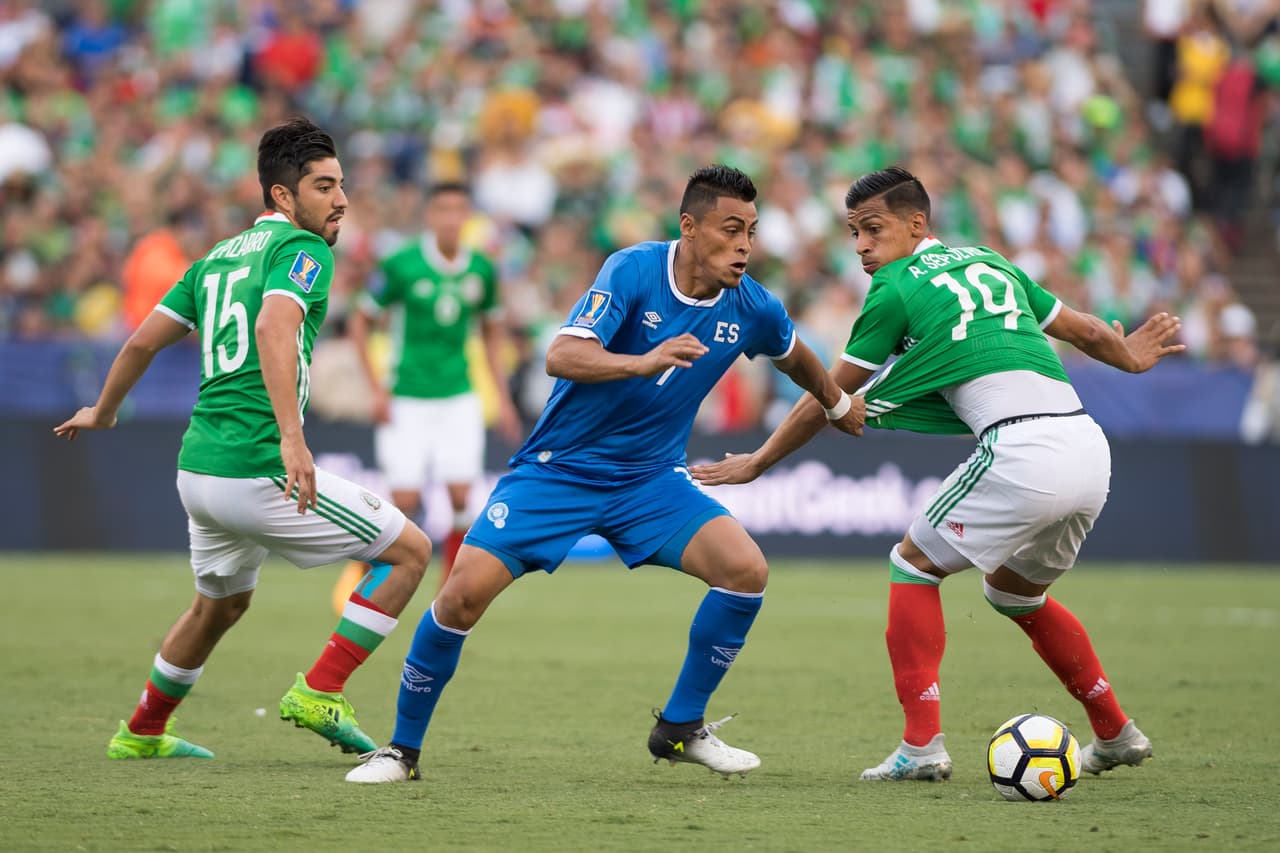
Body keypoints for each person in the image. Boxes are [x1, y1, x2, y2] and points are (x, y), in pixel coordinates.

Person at [342, 164, 865, 783]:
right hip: (559, 471)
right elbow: (562, 354)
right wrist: (642, 362)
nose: (745, 245)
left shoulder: (753, 304)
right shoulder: (633, 270)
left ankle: (680, 727)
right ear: (689, 227)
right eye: (731, 229)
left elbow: (795, 354)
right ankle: (401, 751)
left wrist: (836, 401)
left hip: (651, 479)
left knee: (746, 571)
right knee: (458, 598)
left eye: (751, 231)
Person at [692, 166, 1184, 782]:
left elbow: (827, 392)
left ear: (916, 223)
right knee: (1014, 592)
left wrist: (759, 461)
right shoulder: (990, 261)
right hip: (1088, 446)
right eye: (854, 233)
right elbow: (1084, 329)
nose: (862, 246)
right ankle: (1115, 732)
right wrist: (1130, 359)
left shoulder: (895, 287)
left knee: (912, 564)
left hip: (1022, 448)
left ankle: (921, 746)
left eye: (873, 229)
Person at [54, 117, 432, 760]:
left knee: (219, 607)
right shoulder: (303, 250)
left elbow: (141, 341)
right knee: (410, 553)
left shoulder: (215, 259)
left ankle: (142, 731)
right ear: (283, 196)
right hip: (257, 467)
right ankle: (321, 690)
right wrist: (293, 439)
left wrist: (104, 411)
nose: (341, 200)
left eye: (341, 184)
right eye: (323, 186)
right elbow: (272, 328)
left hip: (199, 471)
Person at [335, 181, 521, 605]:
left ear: (468, 217)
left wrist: (503, 398)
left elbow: (492, 333)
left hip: (458, 396)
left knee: (461, 497)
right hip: (406, 396)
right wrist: (375, 388)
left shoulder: (482, 270)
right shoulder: (401, 265)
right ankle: (361, 579)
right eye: (443, 210)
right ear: (430, 216)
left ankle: (447, 594)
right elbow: (360, 321)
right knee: (404, 500)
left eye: (459, 210)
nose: (451, 219)